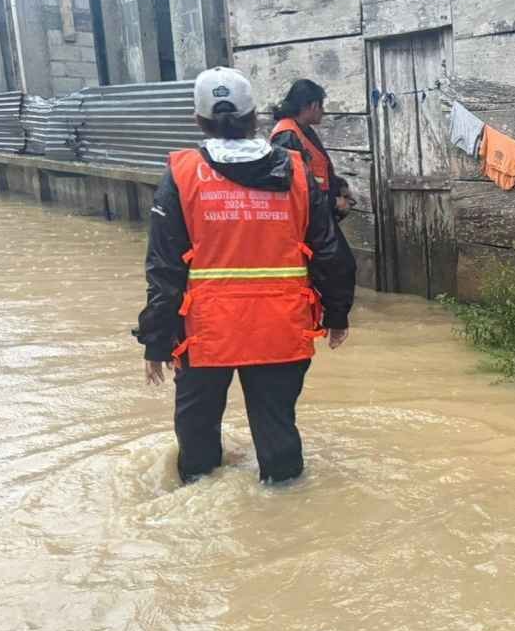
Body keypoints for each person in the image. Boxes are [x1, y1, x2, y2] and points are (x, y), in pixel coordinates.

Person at [134, 67, 357, 485]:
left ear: (197, 119)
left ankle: (198, 512)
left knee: (197, 442)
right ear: (254, 115)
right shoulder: (295, 171)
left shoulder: (182, 176)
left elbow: (164, 268)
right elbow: (331, 251)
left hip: (206, 333)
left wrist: (156, 340)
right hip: (280, 327)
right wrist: (337, 314)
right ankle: (287, 520)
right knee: (278, 435)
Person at [270, 79, 356, 220]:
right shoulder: (286, 137)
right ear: (313, 105)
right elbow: (296, 189)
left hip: (318, 213)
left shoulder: (303, 130)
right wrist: (334, 202)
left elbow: (316, 170)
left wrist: (340, 186)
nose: (323, 111)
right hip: (306, 220)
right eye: (321, 106)